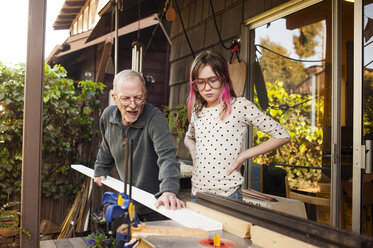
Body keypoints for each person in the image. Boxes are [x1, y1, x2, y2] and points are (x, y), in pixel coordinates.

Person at [184, 51, 291, 201]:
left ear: (224, 79)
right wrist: (194, 152)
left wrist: (243, 156)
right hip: (197, 193)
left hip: (229, 194)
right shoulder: (197, 111)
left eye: (213, 80)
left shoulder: (240, 106)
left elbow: (282, 135)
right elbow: (188, 138)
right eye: (200, 82)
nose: (207, 87)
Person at [94, 69, 185, 220]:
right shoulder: (107, 117)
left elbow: (167, 156)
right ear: (114, 98)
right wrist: (101, 168)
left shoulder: (155, 119)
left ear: (145, 96)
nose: (133, 105)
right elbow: (107, 145)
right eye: (126, 99)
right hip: (129, 201)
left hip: (157, 203)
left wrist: (168, 190)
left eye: (138, 98)